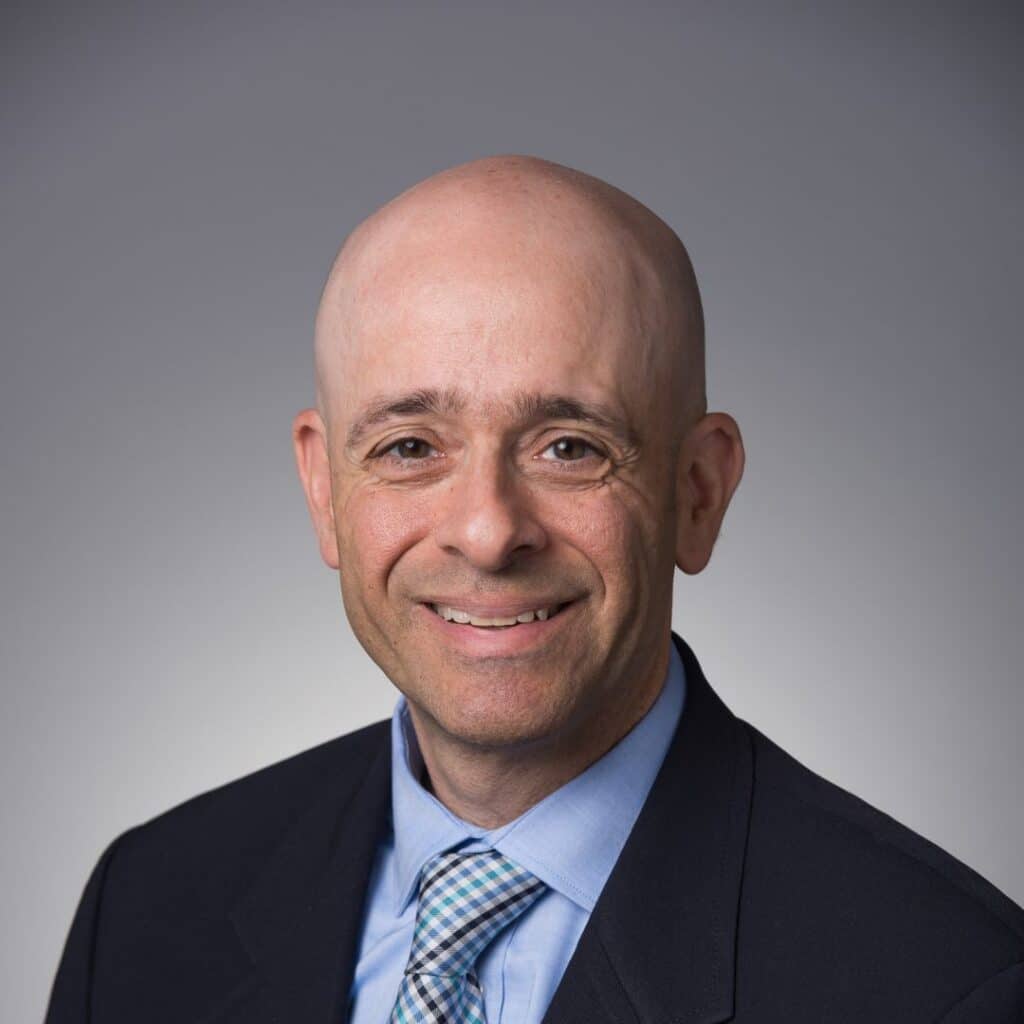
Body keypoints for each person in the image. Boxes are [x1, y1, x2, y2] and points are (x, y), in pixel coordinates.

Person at [46, 156, 1024, 1024]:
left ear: (697, 492)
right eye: (410, 447)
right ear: (323, 490)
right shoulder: (147, 908)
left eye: (569, 446)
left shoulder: (948, 985)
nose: (486, 529)